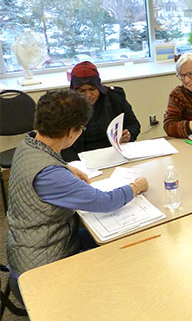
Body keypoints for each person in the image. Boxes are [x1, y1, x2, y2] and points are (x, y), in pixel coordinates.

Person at [7, 89, 148, 303]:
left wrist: (65, 167)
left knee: (98, 236)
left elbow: (44, 162)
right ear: (72, 132)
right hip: (40, 269)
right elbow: (105, 201)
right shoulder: (51, 176)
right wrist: (135, 187)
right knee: (123, 250)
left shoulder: (28, 144)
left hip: (28, 247)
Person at [61, 61, 141, 161]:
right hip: (81, 158)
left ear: (99, 86)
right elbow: (61, 144)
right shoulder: (65, 106)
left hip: (114, 153)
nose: (88, 95)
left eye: (92, 89)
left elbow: (134, 124)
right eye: (82, 91)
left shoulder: (114, 97)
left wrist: (129, 135)